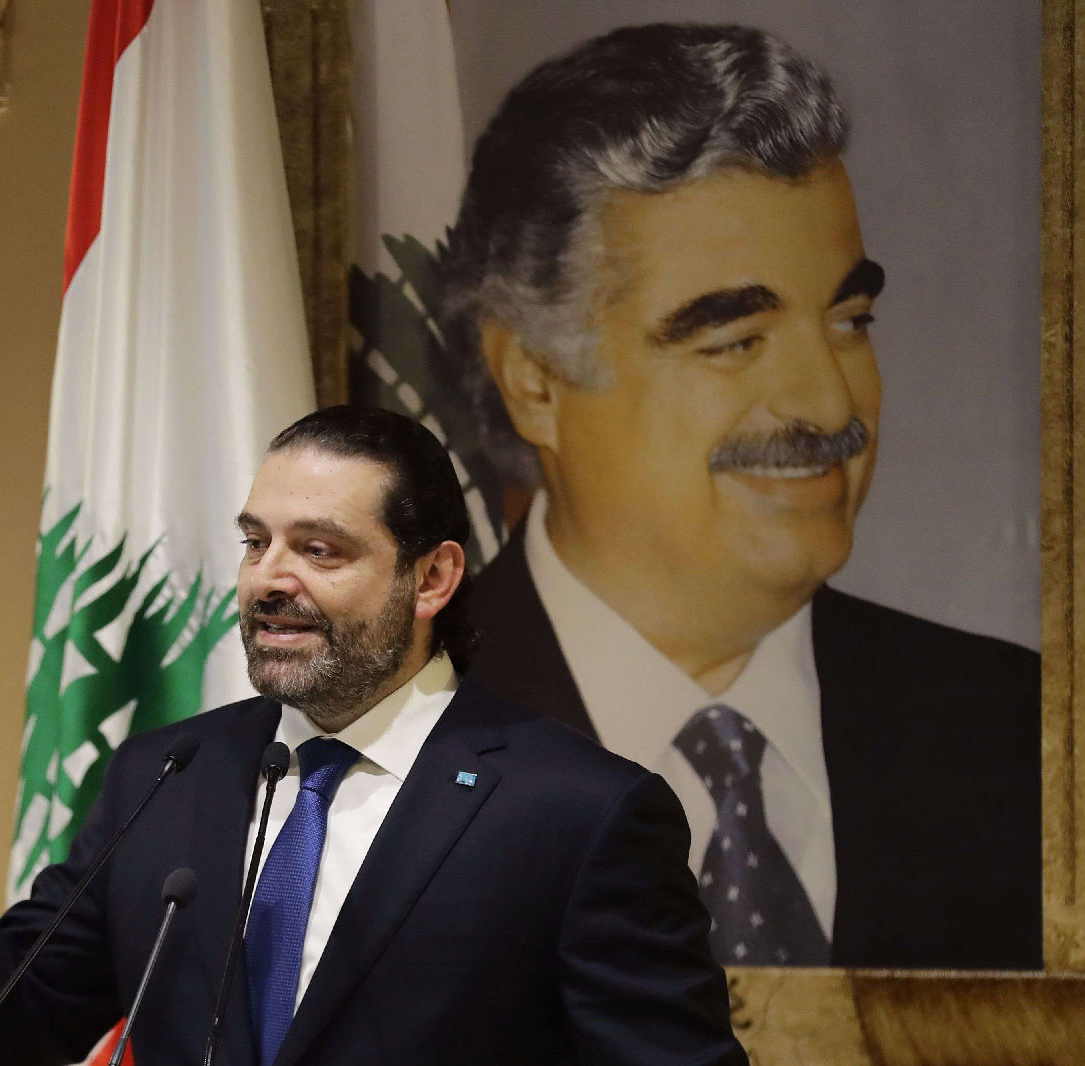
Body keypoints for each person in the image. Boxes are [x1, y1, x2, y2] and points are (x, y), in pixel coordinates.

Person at [0, 406, 747, 1066]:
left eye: (320, 549)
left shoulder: (577, 813)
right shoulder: (168, 777)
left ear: (431, 579)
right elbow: (13, 1033)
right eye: (257, 542)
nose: (267, 579)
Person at [440, 23, 1041, 970]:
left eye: (851, 320)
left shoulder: (1021, 738)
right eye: (734, 339)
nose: (828, 401)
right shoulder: (381, 743)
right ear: (536, 383)